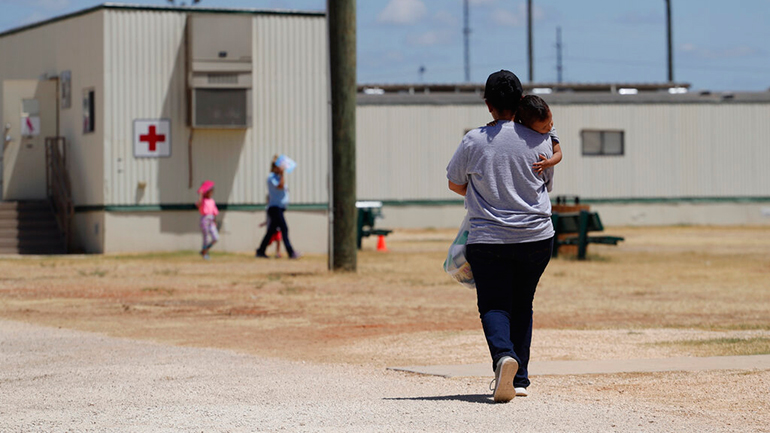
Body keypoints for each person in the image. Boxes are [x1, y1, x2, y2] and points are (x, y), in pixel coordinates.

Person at [446, 70, 555, 403]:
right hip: (537, 236)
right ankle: (519, 380)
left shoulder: (474, 140)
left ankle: (503, 357)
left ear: (488, 104)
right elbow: (545, 185)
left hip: (488, 237)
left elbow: (454, 182)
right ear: (521, 101)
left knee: (494, 304)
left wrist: (477, 191)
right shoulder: (542, 139)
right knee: (523, 302)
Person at [256, 156, 299, 259]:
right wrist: (282, 174)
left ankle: (260, 251)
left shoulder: (278, 177)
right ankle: (291, 252)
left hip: (280, 208)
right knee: (284, 229)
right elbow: (280, 186)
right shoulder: (271, 177)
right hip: (275, 208)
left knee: (271, 231)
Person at [196, 180, 219, 260]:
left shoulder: (212, 201)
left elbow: (214, 213)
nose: (211, 193)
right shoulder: (203, 201)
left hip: (211, 220)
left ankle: (204, 250)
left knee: (215, 238)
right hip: (205, 219)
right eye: (209, 191)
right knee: (206, 238)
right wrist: (201, 195)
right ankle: (205, 254)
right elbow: (199, 205)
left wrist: (215, 222)